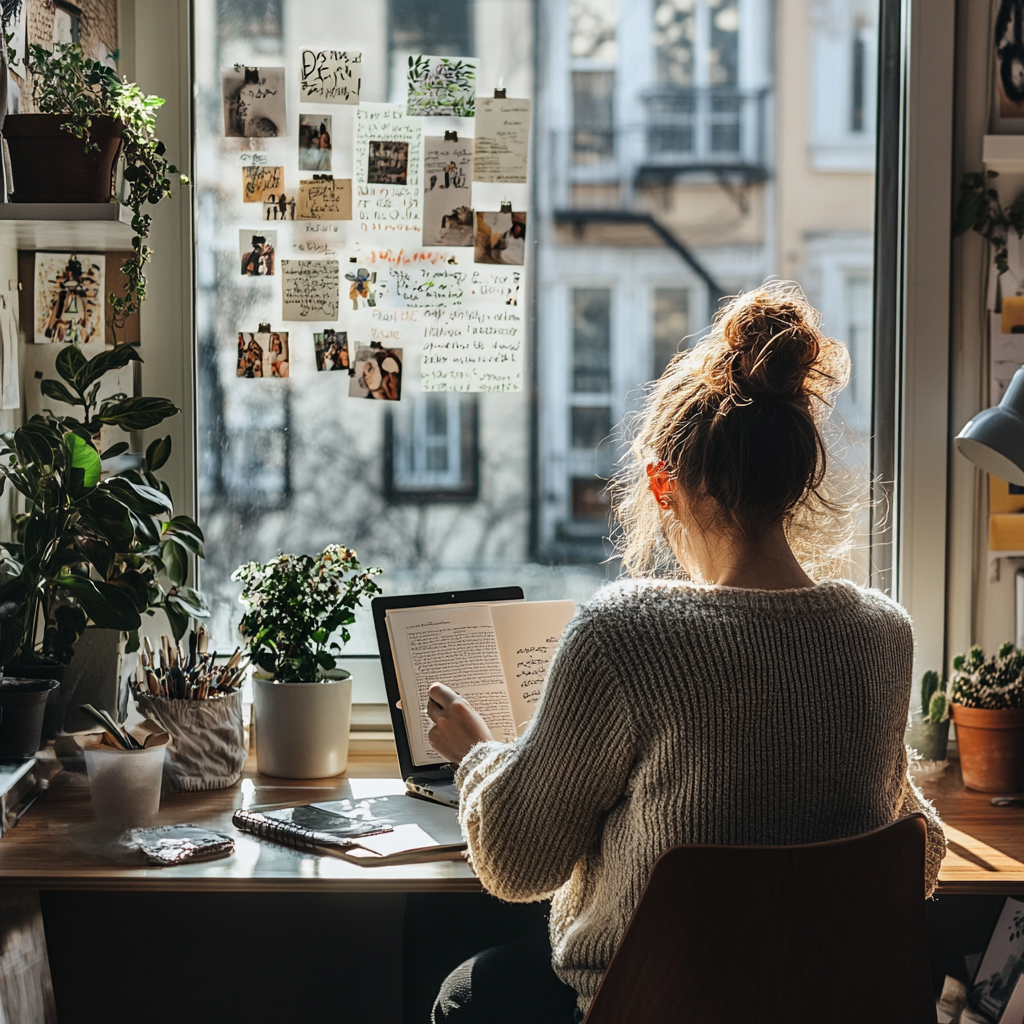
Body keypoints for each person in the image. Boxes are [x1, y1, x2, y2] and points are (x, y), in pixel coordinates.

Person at [426, 282, 946, 1024]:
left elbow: (515, 863)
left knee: (461, 993)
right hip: (823, 1008)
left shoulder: (626, 634)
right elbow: (920, 858)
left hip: (653, 1008)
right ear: (801, 480)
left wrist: (476, 754)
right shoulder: (882, 634)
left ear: (661, 484)